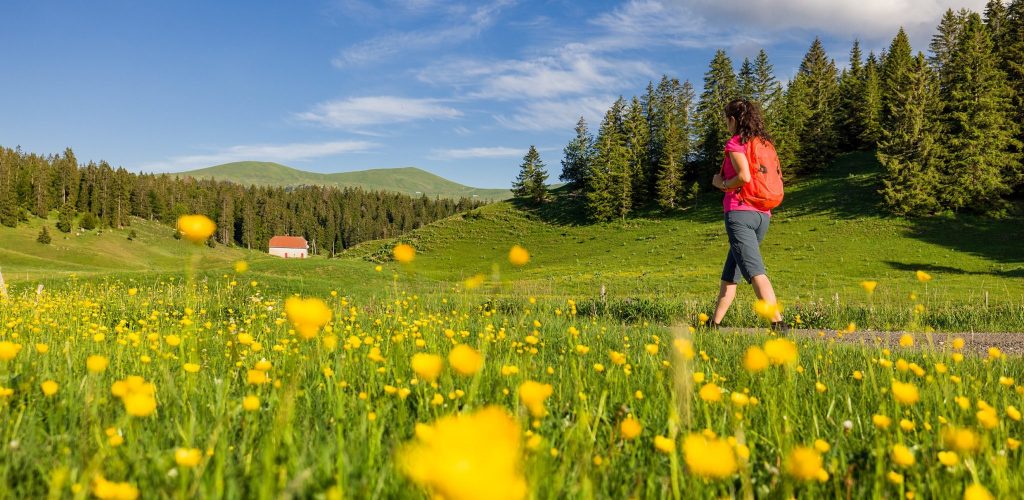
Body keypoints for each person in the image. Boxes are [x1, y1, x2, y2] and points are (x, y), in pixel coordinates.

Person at [709, 98, 784, 330]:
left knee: (754, 271)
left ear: (733, 120)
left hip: (740, 213)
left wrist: (722, 184)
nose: (726, 125)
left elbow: (744, 177)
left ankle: (778, 325)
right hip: (763, 214)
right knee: (731, 273)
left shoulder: (736, 143)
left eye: (726, 120)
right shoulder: (762, 143)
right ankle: (713, 325)